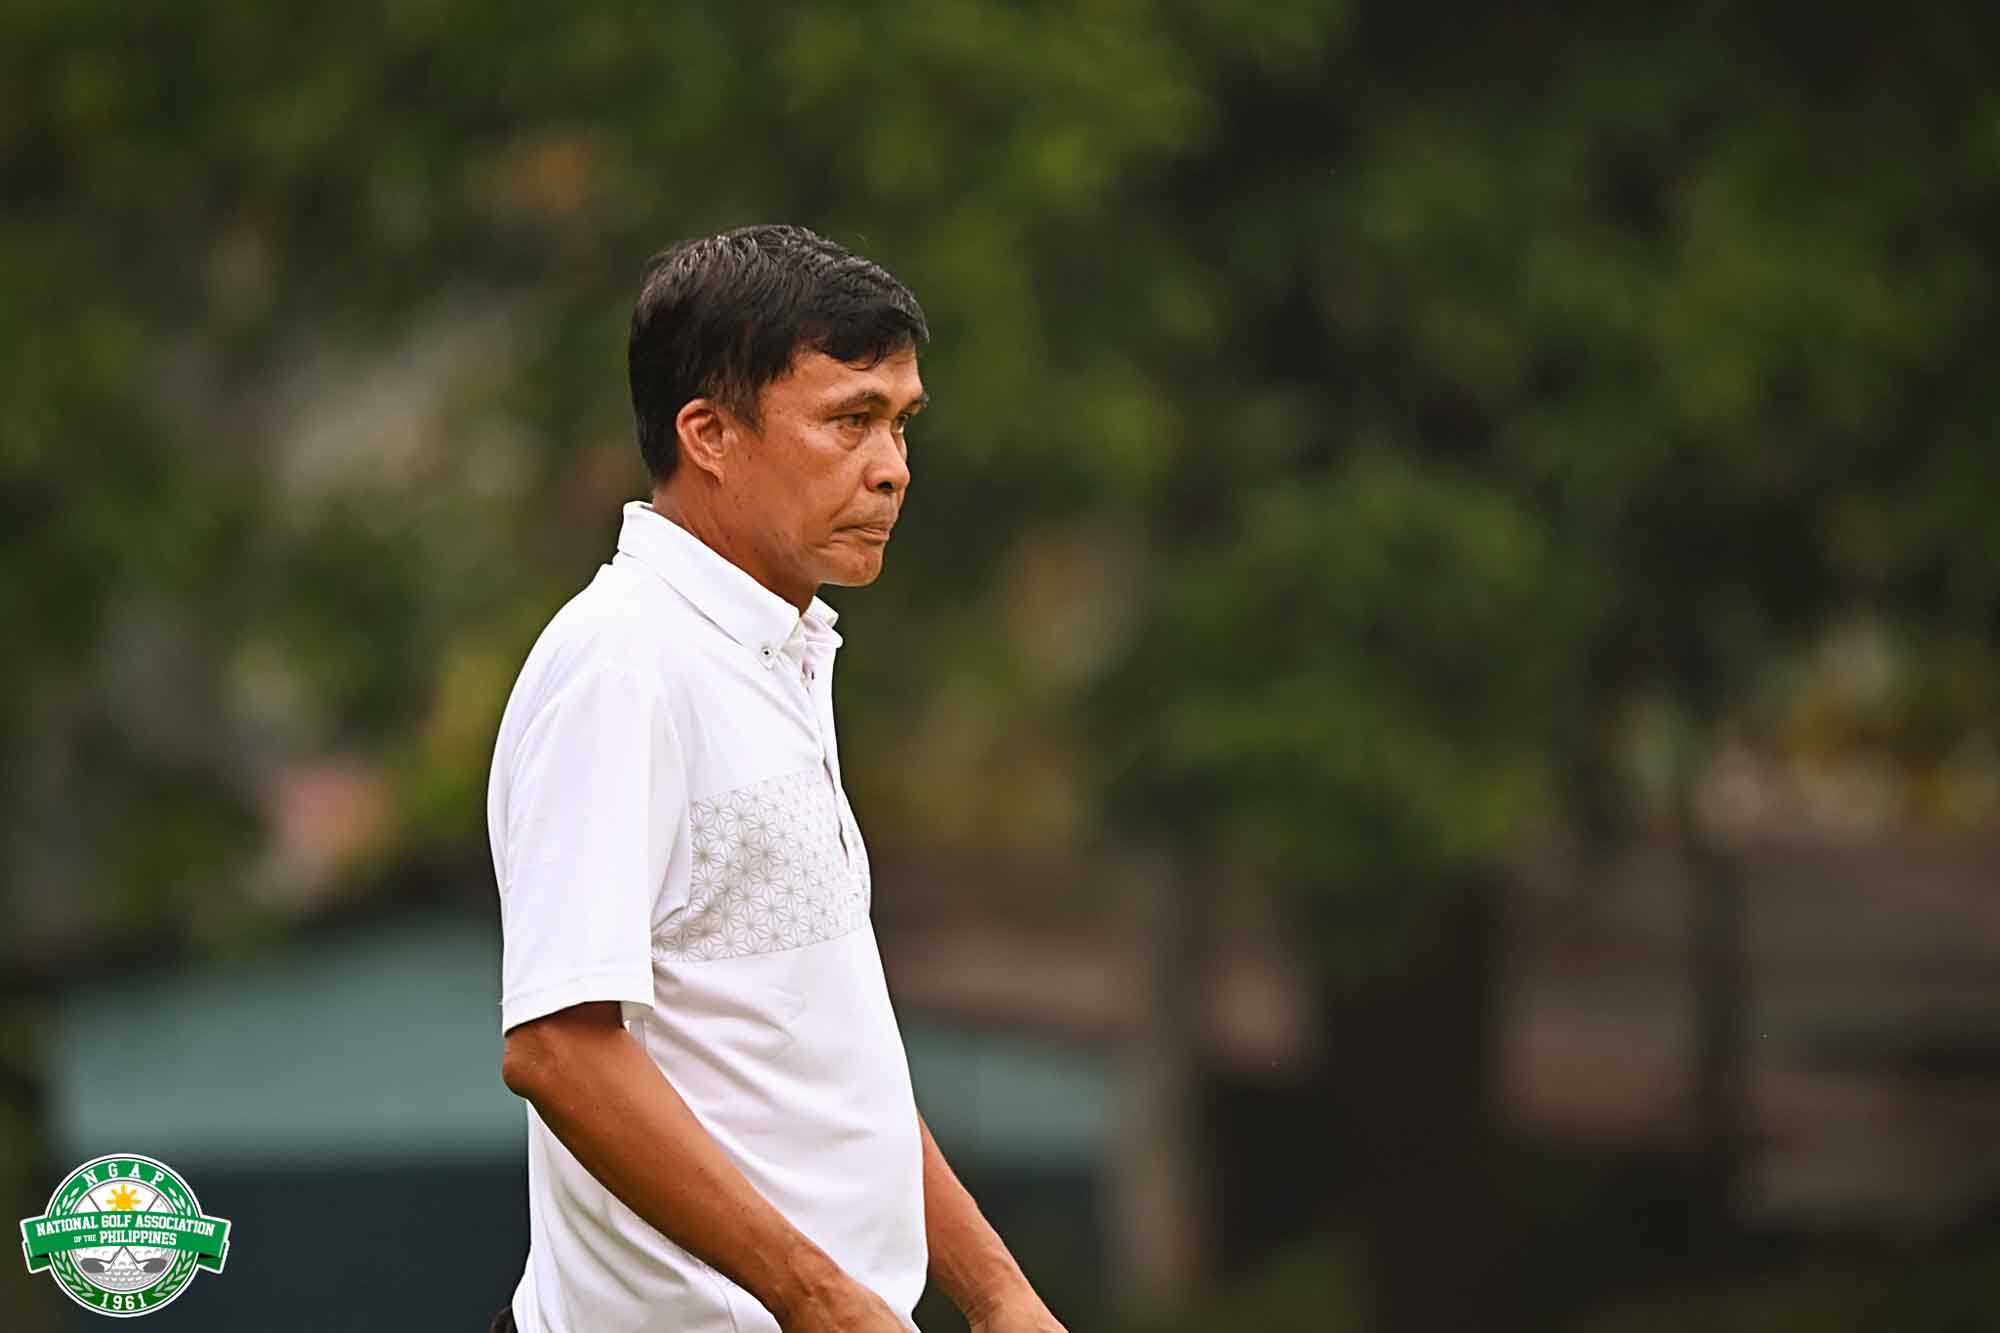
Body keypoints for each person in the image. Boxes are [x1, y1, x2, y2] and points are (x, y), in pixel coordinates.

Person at [486, 225, 1066, 1333]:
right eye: (850, 419)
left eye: (899, 423)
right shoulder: (623, 664)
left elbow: (818, 1056)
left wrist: (997, 1294)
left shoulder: (776, 653)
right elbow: (558, 1048)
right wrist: (818, 1298)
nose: (892, 466)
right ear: (707, 433)